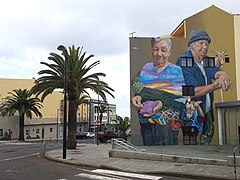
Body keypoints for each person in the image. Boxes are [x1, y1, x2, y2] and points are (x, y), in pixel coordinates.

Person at [176, 29, 232, 144]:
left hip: (207, 109)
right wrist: (215, 85)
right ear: (192, 45)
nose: (205, 46)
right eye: (201, 43)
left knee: (208, 138)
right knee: (192, 145)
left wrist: (222, 75)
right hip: (191, 113)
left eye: (206, 44)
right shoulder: (185, 61)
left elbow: (214, 71)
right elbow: (191, 91)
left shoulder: (206, 59)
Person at [131, 37, 186, 146]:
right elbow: (141, 92)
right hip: (146, 123)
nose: (159, 53)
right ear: (152, 49)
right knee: (150, 153)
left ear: (169, 51)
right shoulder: (146, 68)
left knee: (167, 155)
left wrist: (162, 103)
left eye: (163, 50)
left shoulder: (176, 71)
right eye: (156, 49)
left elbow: (181, 100)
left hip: (167, 126)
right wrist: (137, 98)